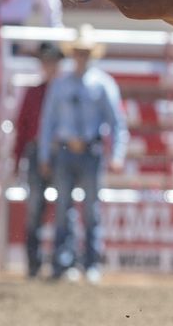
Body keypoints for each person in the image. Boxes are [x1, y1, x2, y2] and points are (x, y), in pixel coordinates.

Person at [37, 25, 128, 282]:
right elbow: (48, 122)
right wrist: (45, 154)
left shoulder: (102, 84)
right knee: (64, 206)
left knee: (91, 210)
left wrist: (117, 154)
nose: (81, 56)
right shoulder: (60, 84)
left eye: (85, 52)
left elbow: (117, 122)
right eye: (78, 51)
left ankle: (91, 263)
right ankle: (64, 263)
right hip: (65, 151)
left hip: (91, 151)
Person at [13, 42, 63, 278]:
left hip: (61, 153)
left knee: (63, 209)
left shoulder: (64, 92)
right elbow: (22, 130)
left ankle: (60, 263)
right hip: (37, 153)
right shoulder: (34, 92)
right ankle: (34, 264)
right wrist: (16, 161)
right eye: (46, 61)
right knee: (35, 208)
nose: (49, 66)